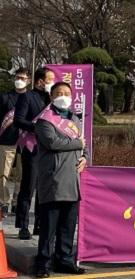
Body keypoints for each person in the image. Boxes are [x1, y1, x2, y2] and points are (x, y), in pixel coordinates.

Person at [34, 81, 87, 277]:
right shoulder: (44, 120)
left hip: (73, 180)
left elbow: (85, 145)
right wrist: (77, 143)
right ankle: (43, 263)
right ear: (51, 96)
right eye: (59, 93)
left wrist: (85, 158)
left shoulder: (74, 118)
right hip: (53, 179)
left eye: (67, 93)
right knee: (49, 226)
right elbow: (52, 142)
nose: (63, 96)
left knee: (67, 225)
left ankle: (64, 260)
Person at [14, 67, 55, 240]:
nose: (52, 82)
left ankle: (39, 223)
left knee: (45, 188)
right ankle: (23, 225)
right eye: (49, 79)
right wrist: (37, 127)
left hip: (48, 148)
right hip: (32, 147)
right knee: (28, 186)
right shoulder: (27, 97)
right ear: (40, 81)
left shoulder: (51, 99)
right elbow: (18, 120)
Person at [0, 68, 29, 215]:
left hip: (25, 142)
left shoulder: (31, 98)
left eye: (23, 78)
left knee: (21, 175)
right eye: (18, 77)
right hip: (6, 140)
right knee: (3, 174)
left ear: (28, 80)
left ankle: (16, 202)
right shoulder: (5, 97)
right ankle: (3, 201)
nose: (20, 80)